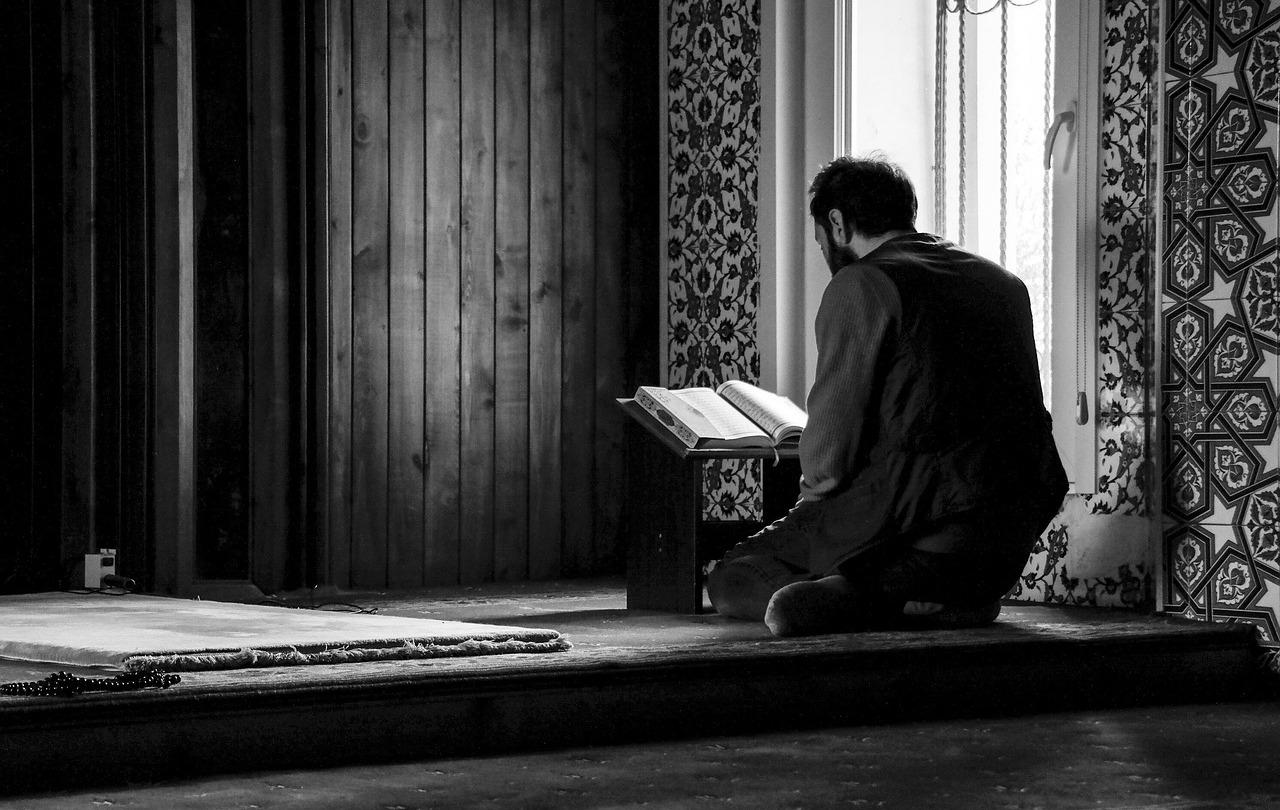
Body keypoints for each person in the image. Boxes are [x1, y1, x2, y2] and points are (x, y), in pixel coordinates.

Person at [707, 155, 1068, 637]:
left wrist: (812, 509)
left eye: (820, 240)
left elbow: (829, 460)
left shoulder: (862, 282)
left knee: (731, 575)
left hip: (919, 527)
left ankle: (870, 602)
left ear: (837, 223)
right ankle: (945, 601)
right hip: (1006, 541)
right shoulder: (1004, 282)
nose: (824, 252)